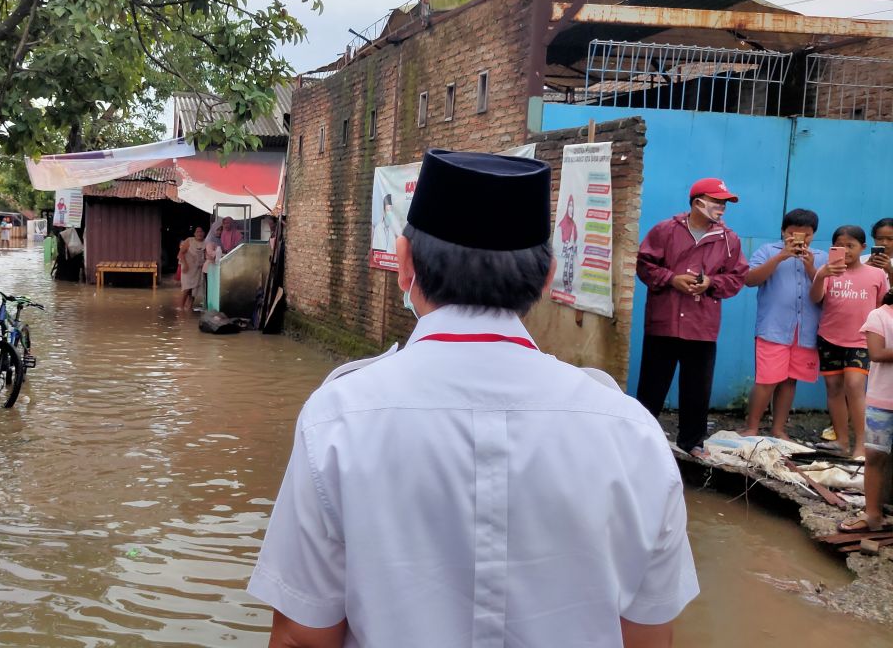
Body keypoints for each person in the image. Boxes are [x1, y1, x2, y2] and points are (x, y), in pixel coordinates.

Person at [249, 149, 698, 648]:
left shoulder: (337, 419)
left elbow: (300, 637)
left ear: (404, 265)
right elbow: (649, 637)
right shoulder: (632, 433)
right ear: (547, 279)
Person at [635, 177, 748, 459]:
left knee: (697, 387)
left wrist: (710, 283)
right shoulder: (665, 231)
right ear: (698, 202)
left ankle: (692, 442)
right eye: (717, 202)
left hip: (702, 324)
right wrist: (672, 279)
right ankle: (639, 436)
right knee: (652, 384)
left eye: (725, 203)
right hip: (664, 321)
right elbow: (644, 264)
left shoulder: (729, 239)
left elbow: (737, 276)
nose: (722, 208)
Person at [739, 209, 826, 440]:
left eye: (806, 235)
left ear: (814, 234)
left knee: (789, 381)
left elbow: (828, 292)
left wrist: (810, 267)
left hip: (805, 331)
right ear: (783, 232)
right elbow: (749, 280)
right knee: (766, 380)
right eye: (792, 234)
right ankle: (752, 427)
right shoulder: (768, 251)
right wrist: (780, 257)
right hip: (773, 328)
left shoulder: (822, 257)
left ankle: (778, 429)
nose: (800, 240)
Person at [812, 225, 889, 458]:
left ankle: (860, 446)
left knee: (854, 386)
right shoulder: (826, 271)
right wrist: (822, 275)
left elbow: (881, 307)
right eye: (840, 246)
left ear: (863, 248)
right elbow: (816, 299)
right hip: (829, 338)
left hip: (861, 340)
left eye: (851, 246)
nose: (845, 251)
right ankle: (842, 442)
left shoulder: (875, 274)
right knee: (834, 388)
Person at [839, 288, 893, 533]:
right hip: (883, 401)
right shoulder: (879, 316)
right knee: (875, 457)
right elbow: (877, 353)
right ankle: (872, 513)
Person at [177, 226, 206, 311]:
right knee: (187, 288)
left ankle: (189, 308)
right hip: (188, 268)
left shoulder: (206, 242)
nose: (199, 233)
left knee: (194, 289)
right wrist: (185, 265)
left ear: (204, 233)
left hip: (198, 269)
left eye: (201, 231)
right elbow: (181, 253)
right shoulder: (189, 240)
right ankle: (181, 308)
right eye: (197, 232)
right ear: (194, 234)